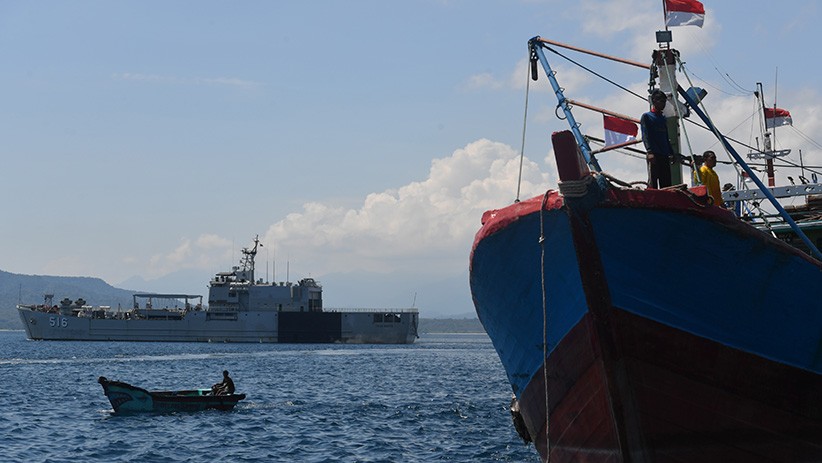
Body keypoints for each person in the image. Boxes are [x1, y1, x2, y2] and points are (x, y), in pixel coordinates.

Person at [641, 89, 675, 188]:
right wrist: (650, 151)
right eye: (661, 101)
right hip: (654, 155)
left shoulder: (663, 118)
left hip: (664, 154)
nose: (663, 104)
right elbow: (645, 135)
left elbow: (666, 136)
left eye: (664, 102)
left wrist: (671, 152)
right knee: (653, 182)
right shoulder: (647, 117)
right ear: (654, 101)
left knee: (666, 182)